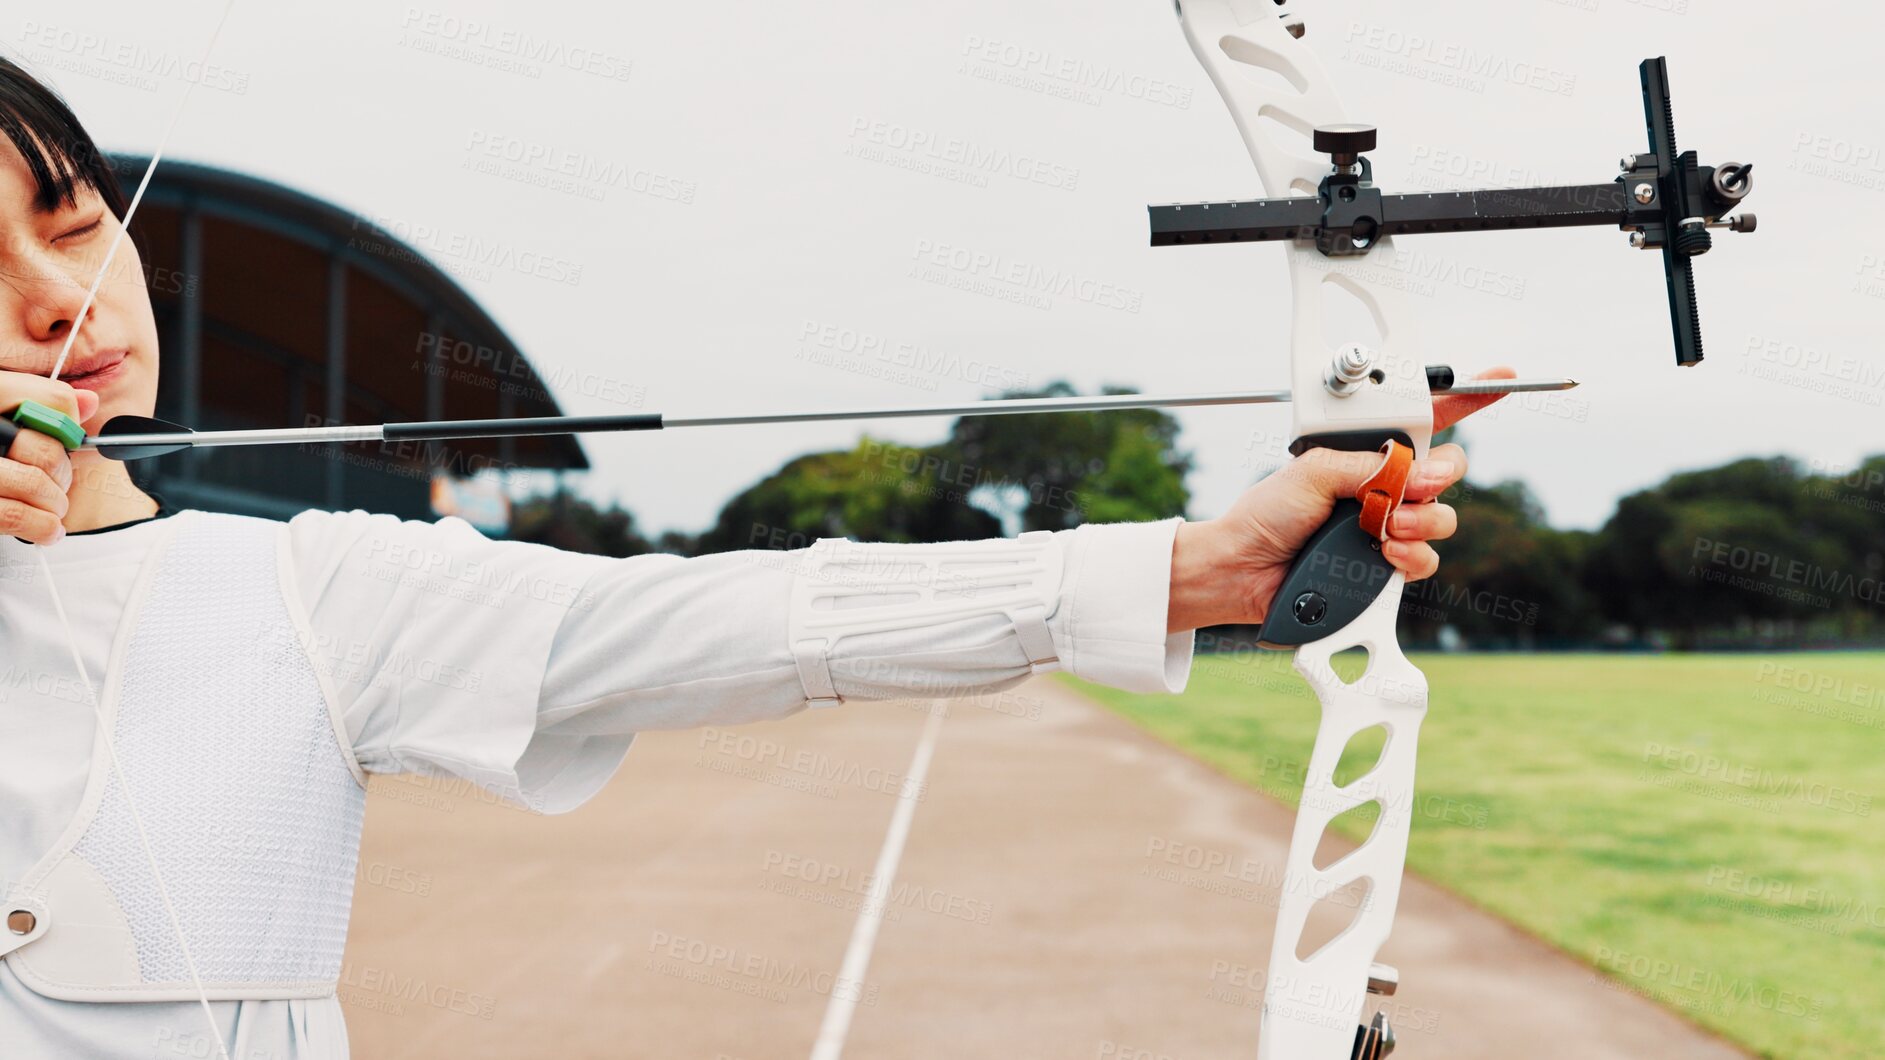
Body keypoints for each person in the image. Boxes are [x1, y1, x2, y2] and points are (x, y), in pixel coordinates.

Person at [0, 57, 1499, 1059]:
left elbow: (762, 616)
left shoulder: (312, 592)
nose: (56, 300)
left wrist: (1190, 569)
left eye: (71, 222)